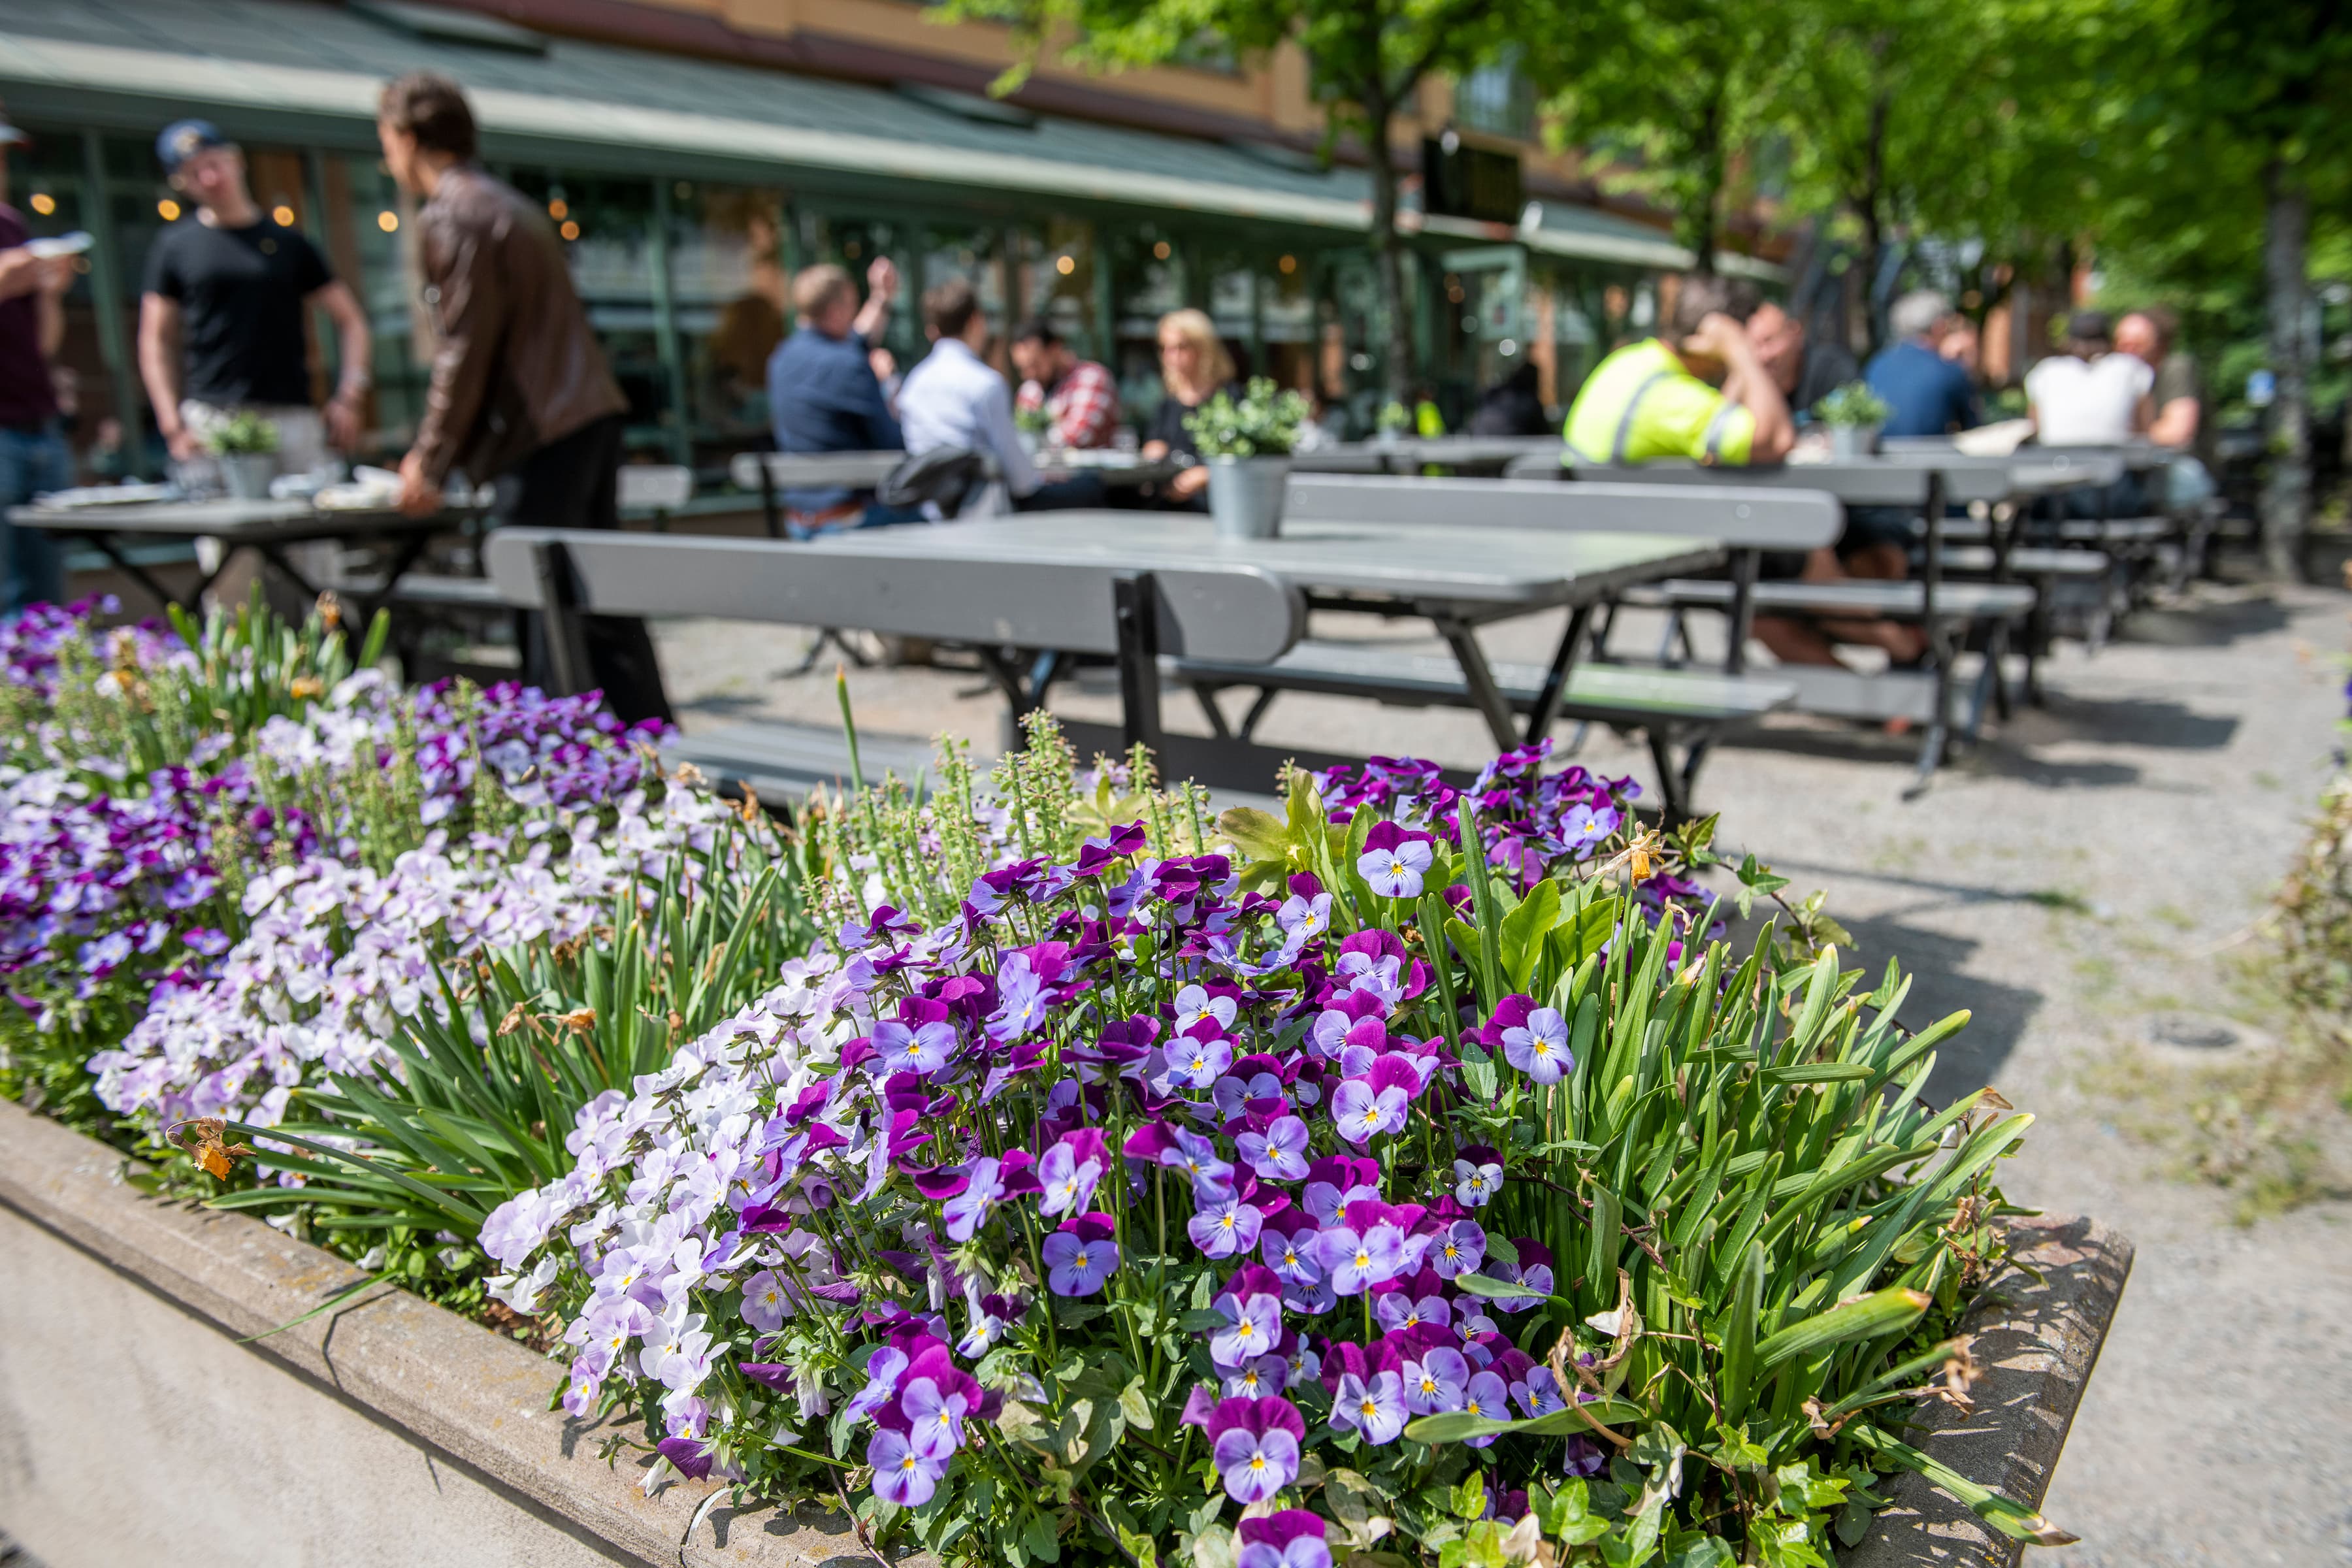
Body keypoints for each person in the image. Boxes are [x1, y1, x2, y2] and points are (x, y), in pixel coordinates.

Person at [377, 72, 672, 725]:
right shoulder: (508, 205)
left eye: (386, 140)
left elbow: (462, 348)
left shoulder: (456, 212)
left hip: (540, 433)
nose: (384, 157)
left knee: (543, 606)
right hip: (586, 416)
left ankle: (561, 766)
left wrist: (429, 458)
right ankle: (656, 747)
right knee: (601, 599)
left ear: (406, 138)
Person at [138, 120, 372, 478]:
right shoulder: (175, 247)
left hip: (291, 415)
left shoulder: (290, 244)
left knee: (308, 527)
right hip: (211, 417)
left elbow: (351, 319)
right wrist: (171, 423)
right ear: (181, 183)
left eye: (214, 164)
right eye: (194, 172)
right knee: (219, 528)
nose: (210, 178)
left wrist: (350, 395)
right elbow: (154, 339)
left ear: (236, 161)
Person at [896, 279, 1102, 513]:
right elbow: (1022, 482)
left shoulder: (913, 384)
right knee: (1092, 488)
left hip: (931, 510)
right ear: (976, 321)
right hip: (985, 511)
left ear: (933, 330)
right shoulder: (986, 384)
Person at [1562, 272, 1793, 466]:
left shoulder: (1633, 362)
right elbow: (1775, 441)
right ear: (1714, 335)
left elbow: (1713, 448)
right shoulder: (1668, 398)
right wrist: (1741, 354)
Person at [765, 259, 911, 532]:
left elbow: (858, 337)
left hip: (799, 519)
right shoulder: (848, 363)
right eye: (851, 306)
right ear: (836, 311)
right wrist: (889, 387)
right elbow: (892, 443)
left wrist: (881, 297)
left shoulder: (781, 359)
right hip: (850, 519)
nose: (854, 314)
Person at [0, 105, 73, 613]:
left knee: (47, 597)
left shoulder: (13, 224)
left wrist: (51, 290)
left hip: (39, 425)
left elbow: (43, 344)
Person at [2117, 306, 2215, 509]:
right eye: (2122, 343)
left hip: (2181, 470)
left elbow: (2176, 434)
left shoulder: (2176, 368)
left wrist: (2115, 433)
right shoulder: (2123, 377)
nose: (2128, 351)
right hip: (2137, 472)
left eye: (2137, 344)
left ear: (2161, 343)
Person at [1139, 308, 1238, 505]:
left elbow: (1240, 459)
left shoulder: (1229, 399)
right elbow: (1154, 446)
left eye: (1181, 347)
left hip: (1210, 503)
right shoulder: (1168, 403)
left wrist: (1205, 475)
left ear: (1204, 349)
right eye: (1165, 348)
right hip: (1167, 498)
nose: (1171, 357)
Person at [2025, 310, 2151, 448]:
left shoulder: (2045, 371)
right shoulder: (2132, 368)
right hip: (2117, 463)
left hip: (2056, 461)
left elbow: (2036, 426)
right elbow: (2144, 429)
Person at [1864, 291, 1980, 437]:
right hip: (1931, 458)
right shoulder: (1948, 371)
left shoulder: (1876, 365)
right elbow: (1973, 432)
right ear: (1939, 326)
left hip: (1880, 455)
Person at [1746, 300, 1859, 426]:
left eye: (1769, 341)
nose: (1763, 355)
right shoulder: (1753, 385)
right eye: (1755, 345)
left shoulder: (1832, 368)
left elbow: (1852, 426)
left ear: (1796, 333)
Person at [1010, 319, 1119, 450]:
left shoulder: (1091, 377)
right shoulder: (1030, 390)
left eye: (1035, 365)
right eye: (1022, 369)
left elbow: (1079, 435)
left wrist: (1036, 438)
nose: (1028, 374)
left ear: (1055, 349)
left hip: (1090, 469)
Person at [1466, 362, 1548, 437]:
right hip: (1505, 445)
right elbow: (1544, 433)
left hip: (1479, 438)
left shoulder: (1494, 393)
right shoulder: (1529, 403)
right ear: (1534, 380)